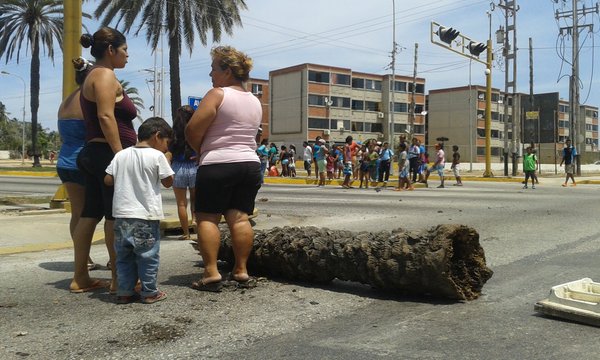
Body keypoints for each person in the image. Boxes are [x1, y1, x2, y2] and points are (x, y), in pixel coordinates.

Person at [185, 45, 262, 291]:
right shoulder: (255, 101)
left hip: (218, 163)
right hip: (249, 164)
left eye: (213, 68)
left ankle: (211, 273)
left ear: (227, 71)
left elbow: (192, 129)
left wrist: (201, 151)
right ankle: (241, 270)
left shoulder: (217, 94)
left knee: (207, 217)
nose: (210, 74)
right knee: (240, 219)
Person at [70, 27, 136, 294]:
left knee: (90, 213)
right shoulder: (106, 75)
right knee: (113, 216)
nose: (128, 56)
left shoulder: (90, 76)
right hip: (107, 154)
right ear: (111, 50)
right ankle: (119, 279)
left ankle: (80, 278)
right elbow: (106, 117)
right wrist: (120, 154)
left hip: (93, 153)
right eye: (125, 50)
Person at [104, 117, 174, 304]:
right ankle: (149, 292)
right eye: (166, 142)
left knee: (124, 256)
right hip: (145, 217)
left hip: (121, 216)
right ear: (157, 136)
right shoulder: (158, 156)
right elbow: (168, 182)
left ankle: (124, 291)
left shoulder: (121, 155)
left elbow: (108, 180)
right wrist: (167, 160)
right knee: (147, 256)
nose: (166, 147)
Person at [57, 56, 97, 271]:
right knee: (93, 213)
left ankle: (83, 258)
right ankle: (87, 260)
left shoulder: (65, 102)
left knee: (77, 212)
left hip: (65, 161)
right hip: (84, 162)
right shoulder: (88, 100)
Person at [168, 105, 197, 240]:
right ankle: (196, 223)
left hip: (178, 167)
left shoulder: (173, 133)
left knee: (181, 203)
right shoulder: (196, 130)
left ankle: (186, 233)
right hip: (194, 166)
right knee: (195, 200)